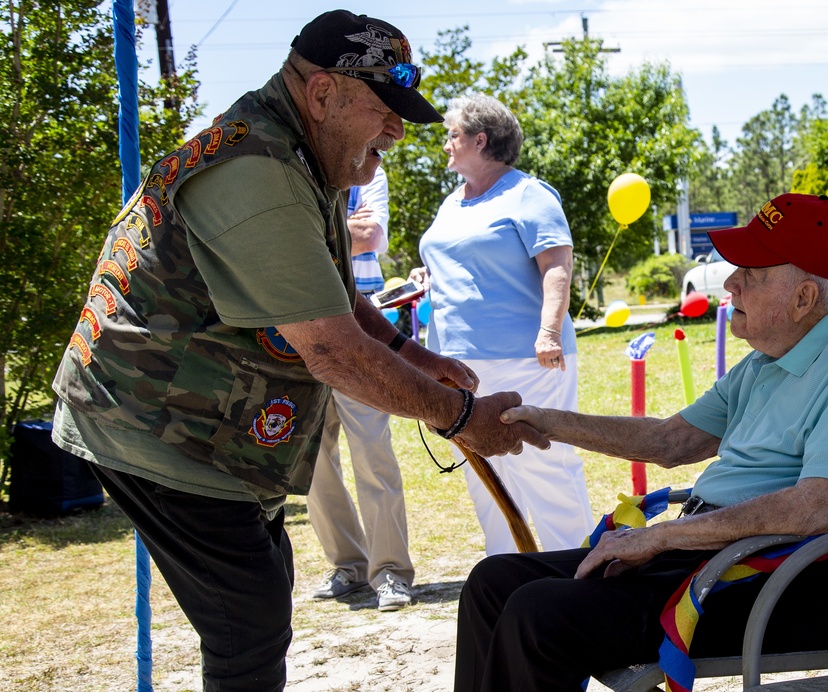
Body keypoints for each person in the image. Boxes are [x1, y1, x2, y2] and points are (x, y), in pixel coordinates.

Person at [48, 10, 545, 690]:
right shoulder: (256, 170)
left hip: (203, 423)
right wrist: (459, 416)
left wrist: (409, 350)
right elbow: (332, 350)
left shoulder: (299, 153)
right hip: (150, 419)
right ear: (322, 95)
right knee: (247, 622)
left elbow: (326, 290)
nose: (397, 132)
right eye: (386, 110)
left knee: (261, 596)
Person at [454, 193, 828, 692]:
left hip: (781, 583)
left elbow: (809, 511)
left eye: (752, 273)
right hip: (714, 559)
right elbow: (670, 440)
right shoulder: (772, 358)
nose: (731, 282)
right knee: (493, 584)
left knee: (538, 613)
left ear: (803, 299)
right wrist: (546, 421)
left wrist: (660, 536)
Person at [409, 93, 592, 555]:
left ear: (480, 139)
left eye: (453, 135)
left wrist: (549, 330)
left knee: (543, 465)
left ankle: (573, 571)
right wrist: (428, 276)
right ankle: (508, 571)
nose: (446, 144)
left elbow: (557, 267)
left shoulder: (530, 194)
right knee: (481, 470)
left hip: (527, 359)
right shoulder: (452, 202)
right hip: (456, 365)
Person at [308, 166, 416, 611]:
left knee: (372, 449)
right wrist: (333, 233)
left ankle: (391, 571)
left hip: (360, 330)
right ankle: (347, 564)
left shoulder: (367, 170)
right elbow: (278, 245)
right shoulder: (292, 167)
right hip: (304, 329)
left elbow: (369, 235)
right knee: (312, 457)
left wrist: (310, 233)